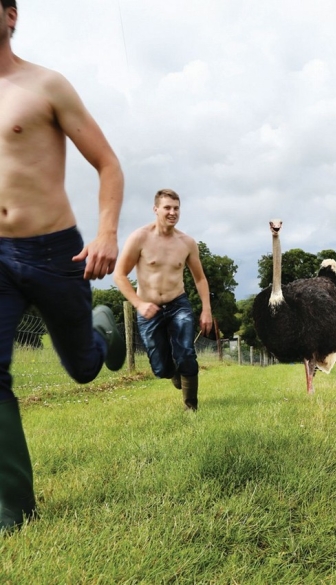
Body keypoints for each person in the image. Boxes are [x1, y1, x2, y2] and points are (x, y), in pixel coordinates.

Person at [0, 0, 126, 532]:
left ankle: (103, 329)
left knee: (83, 368)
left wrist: (106, 233)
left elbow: (108, 164)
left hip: (57, 252)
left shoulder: (46, 85)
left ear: (10, 15)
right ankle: (12, 510)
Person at [113, 189, 213, 411]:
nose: (172, 212)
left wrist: (206, 309)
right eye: (167, 207)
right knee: (160, 368)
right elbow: (119, 275)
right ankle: (173, 373)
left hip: (178, 305)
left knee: (186, 352)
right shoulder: (140, 237)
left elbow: (200, 279)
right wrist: (139, 304)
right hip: (148, 308)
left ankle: (191, 408)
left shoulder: (187, 242)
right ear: (155, 209)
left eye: (176, 208)